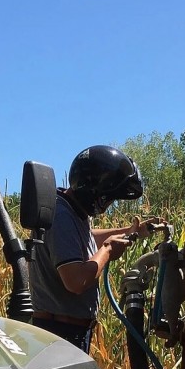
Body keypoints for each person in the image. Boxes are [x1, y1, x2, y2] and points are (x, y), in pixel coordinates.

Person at [30, 145, 158, 352]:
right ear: (95, 192)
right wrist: (107, 250)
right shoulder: (60, 216)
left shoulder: (71, 210)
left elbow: (86, 239)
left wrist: (133, 230)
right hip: (60, 335)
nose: (109, 205)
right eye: (110, 198)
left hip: (66, 331)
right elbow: (75, 281)